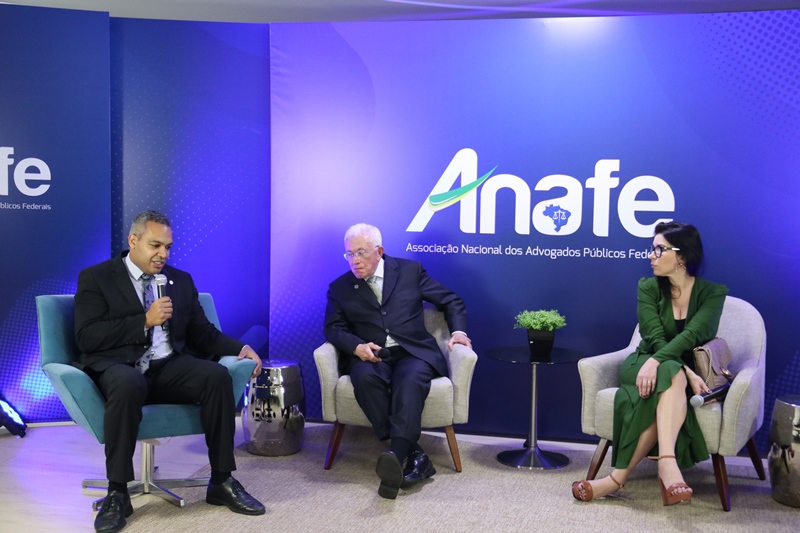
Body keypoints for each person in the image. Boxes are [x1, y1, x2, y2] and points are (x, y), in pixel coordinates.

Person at [75, 210, 266, 533]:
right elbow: (86, 336)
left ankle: (221, 481)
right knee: (127, 383)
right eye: (155, 245)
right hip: (120, 366)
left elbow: (203, 333)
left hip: (167, 366)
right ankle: (118, 493)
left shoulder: (179, 281)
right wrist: (144, 321)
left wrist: (239, 347)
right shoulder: (97, 277)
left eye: (168, 247)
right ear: (133, 241)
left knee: (216, 376)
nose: (163, 254)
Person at [572, 222, 728, 506]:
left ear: (682, 256)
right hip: (643, 362)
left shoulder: (712, 293)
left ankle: (615, 480)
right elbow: (653, 335)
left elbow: (693, 335)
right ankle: (667, 465)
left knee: (670, 375)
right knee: (673, 372)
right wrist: (683, 370)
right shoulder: (648, 287)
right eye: (652, 249)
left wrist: (676, 367)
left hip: (668, 367)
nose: (651, 256)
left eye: (659, 249)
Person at [324, 223, 471, 499]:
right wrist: (356, 347)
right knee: (364, 379)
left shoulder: (409, 271)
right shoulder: (340, 288)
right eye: (349, 254)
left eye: (361, 253)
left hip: (413, 352)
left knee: (409, 380)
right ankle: (413, 455)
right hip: (371, 355)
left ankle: (397, 453)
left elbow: (451, 301)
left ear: (379, 251)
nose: (355, 261)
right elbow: (333, 328)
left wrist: (459, 333)